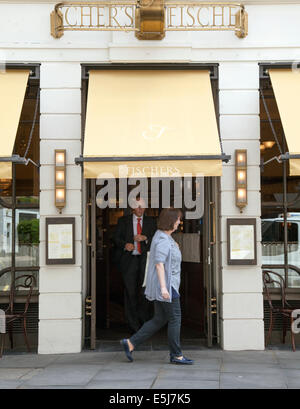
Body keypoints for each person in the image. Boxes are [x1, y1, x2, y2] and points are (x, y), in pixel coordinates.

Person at [120, 207, 194, 365]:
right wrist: (164, 289)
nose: (179, 222)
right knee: (175, 318)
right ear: (171, 221)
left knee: (159, 319)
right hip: (168, 286)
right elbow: (159, 265)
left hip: (168, 285)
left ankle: (131, 343)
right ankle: (176, 354)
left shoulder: (165, 237)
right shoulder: (161, 239)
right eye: (178, 220)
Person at [113, 197, 157, 333]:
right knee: (130, 292)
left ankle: (145, 322)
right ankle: (133, 325)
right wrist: (125, 245)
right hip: (129, 261)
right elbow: (115, 238)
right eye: (137, 206)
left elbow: (157, 240)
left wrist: (145, 238)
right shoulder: (123, 221)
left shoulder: (151, 222)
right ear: (132, 207)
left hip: (145, 261)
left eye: (142, 206)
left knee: (145, 292)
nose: (140, 209)